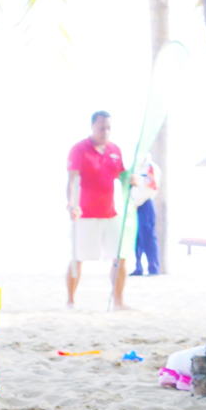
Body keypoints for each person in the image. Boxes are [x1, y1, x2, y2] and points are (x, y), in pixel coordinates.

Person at [66, 111, 126, 309]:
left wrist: (132, 180)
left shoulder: (115, 150)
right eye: (102, 128)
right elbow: (72, 180)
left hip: (110, 213)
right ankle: (71, 301)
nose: (105, 132)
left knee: (119, 257)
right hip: (85, 214)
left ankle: (118, 302)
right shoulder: (79, 149)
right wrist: (71, 205)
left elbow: (123, 177)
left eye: (108, 128)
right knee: (78, 258)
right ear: (93, 126)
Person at [128, 151, 161, 277]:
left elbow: (150, 188)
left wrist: (137, 202)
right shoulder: (134, 168)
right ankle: (138, 266)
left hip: (145, 204)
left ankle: (153, 267)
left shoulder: (151, 167)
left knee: (148, 237)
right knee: (136, 238)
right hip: (133, 205)